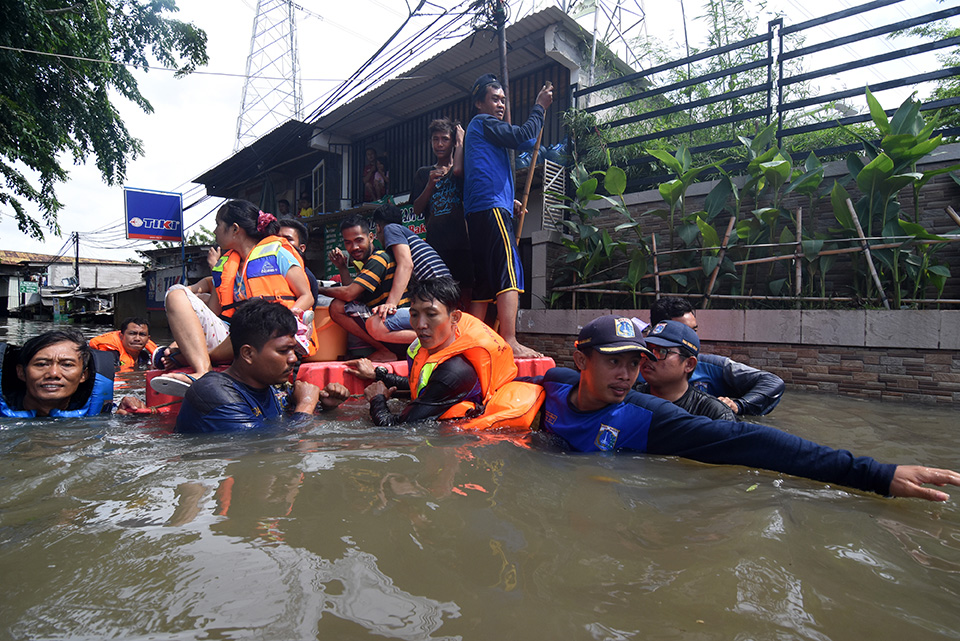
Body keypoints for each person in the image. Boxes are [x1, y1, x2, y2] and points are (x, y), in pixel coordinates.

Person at [531, 315, 960, 502]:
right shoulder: (553, 384)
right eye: (613, 361)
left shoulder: (646, 418)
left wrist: (875, 474)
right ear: (582, 360)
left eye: (634, 362)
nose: (627, 374)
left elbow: (748, 441)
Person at [153, 199, 317, 395]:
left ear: (235, 229)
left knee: (179, 353)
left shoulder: (278, 253)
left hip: (269, 332)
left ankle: (190, 359)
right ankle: (200, 368)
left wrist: (288, 318)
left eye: (218, 225)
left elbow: (306, 296)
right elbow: (213, 314)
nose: (214, 231)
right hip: (235, 333)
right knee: (176, 293)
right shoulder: (225, 266)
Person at [350, 277, 542, 429]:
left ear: (455, 318)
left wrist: (377, 399)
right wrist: (378, 375)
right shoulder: (434, 348)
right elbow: (421, 385)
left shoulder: (455, 372)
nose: (420, 325)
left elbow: (394, 428)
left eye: (431, 314)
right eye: (414, 314)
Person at [464, 73, 552, 358]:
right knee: (509, 271)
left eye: (503, 100)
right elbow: (522, 135)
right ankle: (510, 340)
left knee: (484, 282)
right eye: (494, 99)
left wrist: (509, 198)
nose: (500, 105)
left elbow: (525, 142)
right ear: (479, 103)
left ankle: (473, 339)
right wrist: (539, 107)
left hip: (482, 208)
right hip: (490, 207)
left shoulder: (486, 132)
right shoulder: (483, 123)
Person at [175, 299, 348, 433]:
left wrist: (326, 407)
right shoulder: (213, 392)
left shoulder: (270, 387)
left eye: (293, 350)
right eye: (283, 351)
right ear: (248, 354)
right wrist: (306, 404)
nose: (293, 358)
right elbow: (261, 447)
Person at [648, 297, 785, 416]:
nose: (693, 338)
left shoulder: (712, 367)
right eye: (685, 332)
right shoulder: (636, 370)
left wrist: (739, 406)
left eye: (694, 331)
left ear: (690, 365)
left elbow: (772, 382)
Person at [319, 215, 411, 361]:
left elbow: (349, 294)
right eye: (348, 243)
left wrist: (317, 288)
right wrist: (342, 267)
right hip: (389, 327)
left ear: (371, 236)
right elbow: (354, 295)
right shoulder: (368, 262)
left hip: (396, 328)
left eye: (359, 240)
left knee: (337, 306)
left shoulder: (378, 258)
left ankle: (384, 351)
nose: (354, 247)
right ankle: (384, 350)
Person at [0, 329, 143, 417]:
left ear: (83, 375)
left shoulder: (103, 413)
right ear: (21, 372)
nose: (53, 373)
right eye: (42, 364)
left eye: (67, 365)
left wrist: (131, 416)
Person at [366, 204, 451, 349]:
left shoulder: (391, 229)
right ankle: (443, 335)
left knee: (374, 325)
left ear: (378, 227)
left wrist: (390, 304)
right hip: (442, 299)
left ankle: (446, 336)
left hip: (437, 299)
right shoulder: (408, 236)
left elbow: (406, 265)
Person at [413, 118, 473, 304]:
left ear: (453, 141)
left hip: (464, 245)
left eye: (445, 139)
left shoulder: (462, 170)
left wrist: (462, 144)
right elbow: (416, 209)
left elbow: (478, 190)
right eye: (435, 139)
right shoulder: (423, 173)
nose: (439, 144)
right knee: (439, 297)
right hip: (436, 247)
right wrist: (429, 185)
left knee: (466, 294)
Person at [634, 320, 736, 421]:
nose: (649, 357)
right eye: (647, 351)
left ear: (689, 364)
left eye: (661, 351)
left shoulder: (713, 414)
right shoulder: (630, 398)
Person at [89, 317, 158, 372]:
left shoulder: (144, 356)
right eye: (132, 333)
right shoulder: (110, 357)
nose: (137, 338)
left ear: (148, 339)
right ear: (121, 336)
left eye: (142, 334)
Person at [277, 218, 320, 304]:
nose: (280, 242)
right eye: (277, 238)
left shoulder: (308, 277)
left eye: (288, 239)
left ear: (301, 248)